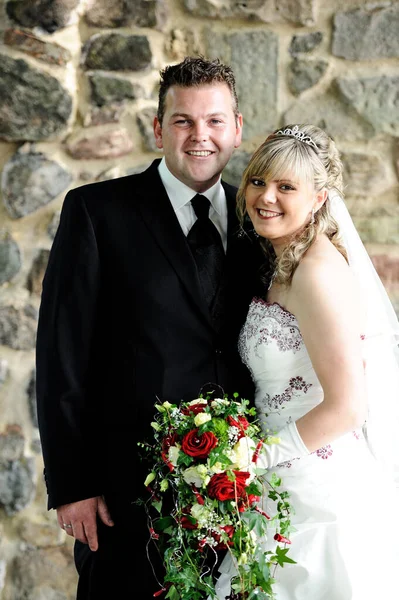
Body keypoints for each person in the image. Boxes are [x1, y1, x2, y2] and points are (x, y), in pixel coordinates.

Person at [35, 56, 264, 600]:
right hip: (124, 499)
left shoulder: (259, 219)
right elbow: (61, 356)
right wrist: (74, 486)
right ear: (159, 129)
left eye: (213, 121)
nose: (199, 136)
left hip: (239, 500)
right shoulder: (96, 212)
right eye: (183, 121)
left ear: (236, 128)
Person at [214, 124, 399, 599]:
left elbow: (347, 407)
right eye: (258, 181)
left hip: (316, 491)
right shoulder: (283, 262)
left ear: (319, 199)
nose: (265, 197)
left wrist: (257, 458)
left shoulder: (317, 273)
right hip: (277, 480)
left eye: (286, 187)